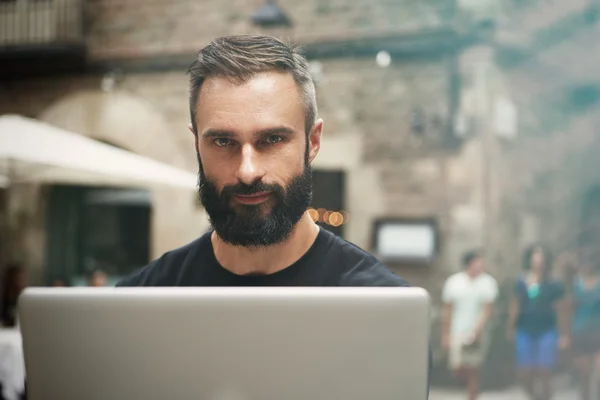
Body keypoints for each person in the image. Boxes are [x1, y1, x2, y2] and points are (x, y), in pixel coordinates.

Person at [116, 35, 410, 289]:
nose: (247, 171)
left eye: (272, 140)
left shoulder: (380, 302)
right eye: (222, 142)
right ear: (197, 144)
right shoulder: (143, 298)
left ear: (313, 142)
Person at [507, 245, 569, 400]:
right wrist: (511, 327)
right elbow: (516, 304)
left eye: (541, 255)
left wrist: (564, 334)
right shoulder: (521, 281)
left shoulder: (553, 283)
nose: (538, 259)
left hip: (547, 328)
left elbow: (561, 309)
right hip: (525, 328)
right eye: (535, 255)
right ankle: (533, 395)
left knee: (544, 369)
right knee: (525, 370)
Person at [441, 250, 498, 400]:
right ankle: (469, 388)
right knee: (457, 366)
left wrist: (478, 329)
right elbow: (448, 310)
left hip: (478, 330)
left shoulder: (488, 282)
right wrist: (445, 334)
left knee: (475, 367)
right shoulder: (454, 282)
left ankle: (472, 395)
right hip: (458, 330)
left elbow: (487, 310)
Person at [567, 247, 600, 400]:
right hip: (580, 330)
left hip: (597, 331)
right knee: (584, 374)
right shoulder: (575, 283)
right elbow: (568, 308)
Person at [1, 263, 27, 327]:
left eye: (22, 278)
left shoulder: (25, 298)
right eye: (18, 278)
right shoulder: (4, 299)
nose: (21, 281)